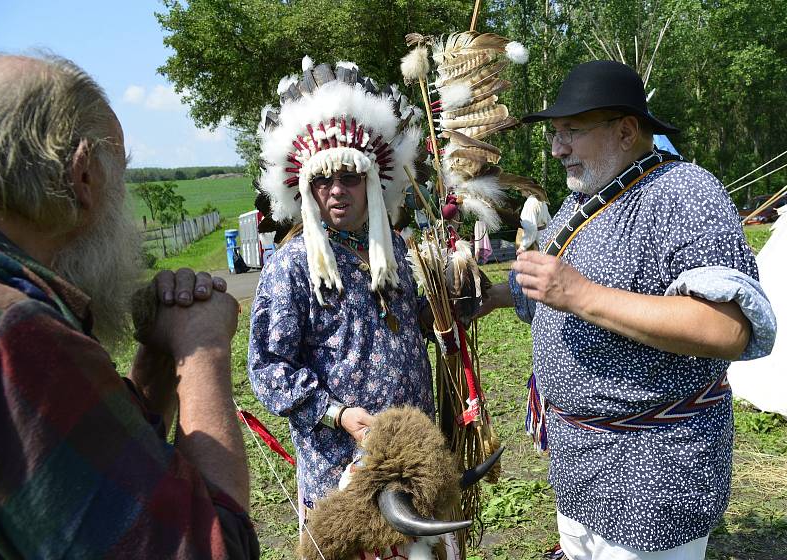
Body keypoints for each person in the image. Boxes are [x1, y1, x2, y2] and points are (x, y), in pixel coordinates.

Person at [481, 60, 777, 559]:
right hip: (581, 472)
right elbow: (549, 293)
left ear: (624, 131)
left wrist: (580, 295)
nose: (556, 149)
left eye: (570, 131)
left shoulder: (684, 193)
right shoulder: (585, 201)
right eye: (555, 134)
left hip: (654, 480)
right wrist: (484, 299)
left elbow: (727, 328)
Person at [0, 53, 259, 559]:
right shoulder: (16, 334)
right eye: (121, 173)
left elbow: (98, 478)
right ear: (84, 176)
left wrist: (159, 362)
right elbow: (210, 549)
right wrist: (201, 349)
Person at [247, 58, 448, 556]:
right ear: (305, 188)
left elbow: (405, 324)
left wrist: (444, 307)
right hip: (344, 464)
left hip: (413, 453)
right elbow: (267, 368)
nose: (336, 190)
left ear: (372, 181)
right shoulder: (292, 265)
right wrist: (336, 414)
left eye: (348, 177)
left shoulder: (392, 247)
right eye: (322, 180)